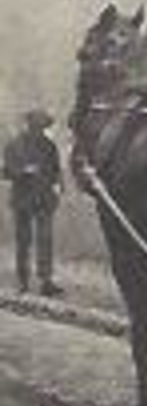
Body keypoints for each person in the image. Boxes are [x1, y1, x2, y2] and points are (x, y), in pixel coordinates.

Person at [3, 108, 63, 296]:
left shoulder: (49, 146)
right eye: (37, 126)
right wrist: (23, 171)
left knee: (45, 240)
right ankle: (23, 281)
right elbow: (5, 172)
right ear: (29, 126)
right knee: (23, 242)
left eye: (43, 127)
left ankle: (46, 281)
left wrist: (60, 186)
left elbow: (56, 169)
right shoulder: (14, 145)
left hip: (45, 200)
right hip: (22, 201)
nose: (40, 130)